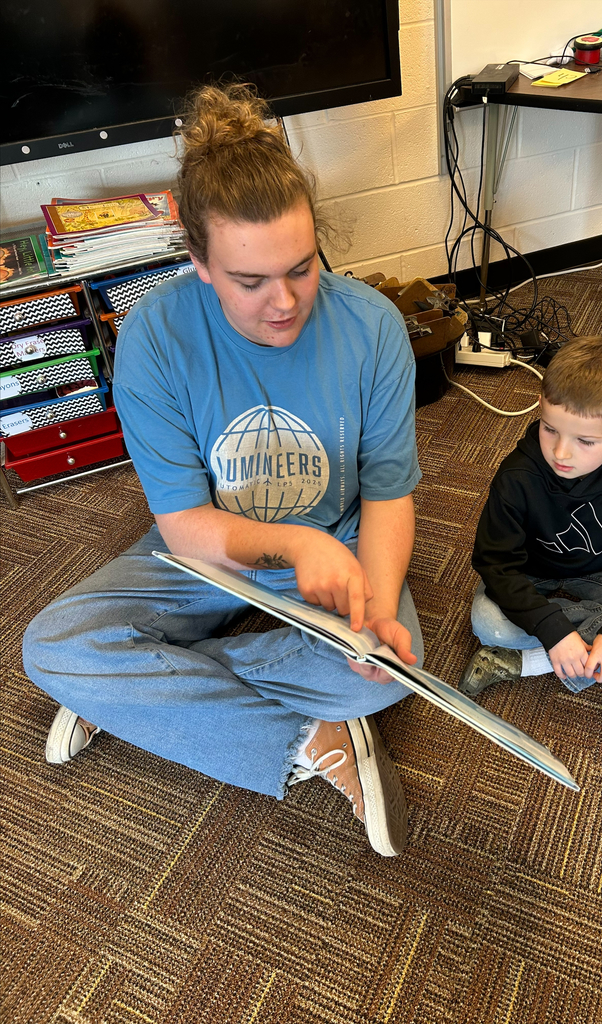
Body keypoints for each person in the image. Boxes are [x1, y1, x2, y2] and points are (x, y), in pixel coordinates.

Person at [22, 83, 424, 858]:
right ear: (199, 258)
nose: (285, 302)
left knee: (381, 671)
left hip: (341, 545)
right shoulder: (152, 337)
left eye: (302, 269)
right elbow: (186, 528)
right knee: (51, 648)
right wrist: (296, 547)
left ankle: (135, 691)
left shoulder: (372, 326)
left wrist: (370, 615)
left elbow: (386, 493)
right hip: (212, 547)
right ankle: (317, 737)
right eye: (250, 282)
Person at [460, 336, 602, 696]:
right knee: (487, 624)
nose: (561, 452)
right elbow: (494, 562)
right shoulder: (517, 475)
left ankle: (529, 663)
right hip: (530, 574)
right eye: (549, 429)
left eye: (585, 441)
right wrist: (554, 628)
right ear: (540, 407)